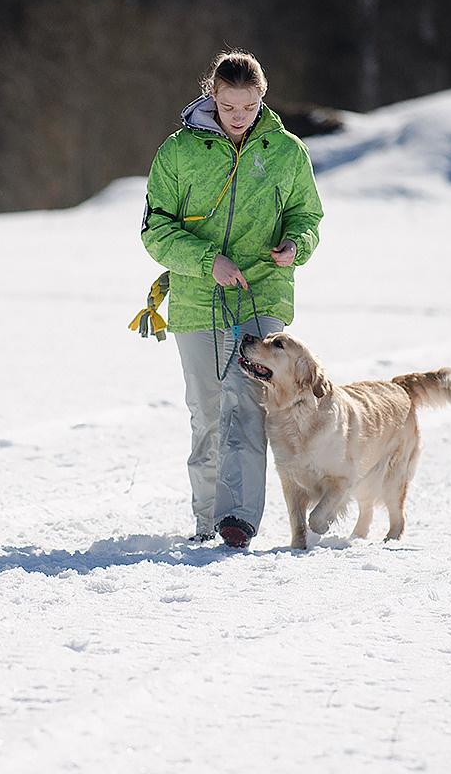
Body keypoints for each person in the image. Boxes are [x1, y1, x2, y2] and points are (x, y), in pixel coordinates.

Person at [140, 50, 323, 549]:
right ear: (212, 96)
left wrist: (296, 245)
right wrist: (208, 261)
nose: (238, 117)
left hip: (261, 293)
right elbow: (155, 231)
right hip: (197, 298)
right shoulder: (177, 152)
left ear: (262, 98)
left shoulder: (287, 152)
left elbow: (307, 216)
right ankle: (206, 521)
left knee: (245, 404)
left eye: (248, 107)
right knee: (206, 411)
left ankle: (237, 519)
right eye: (228, 107)